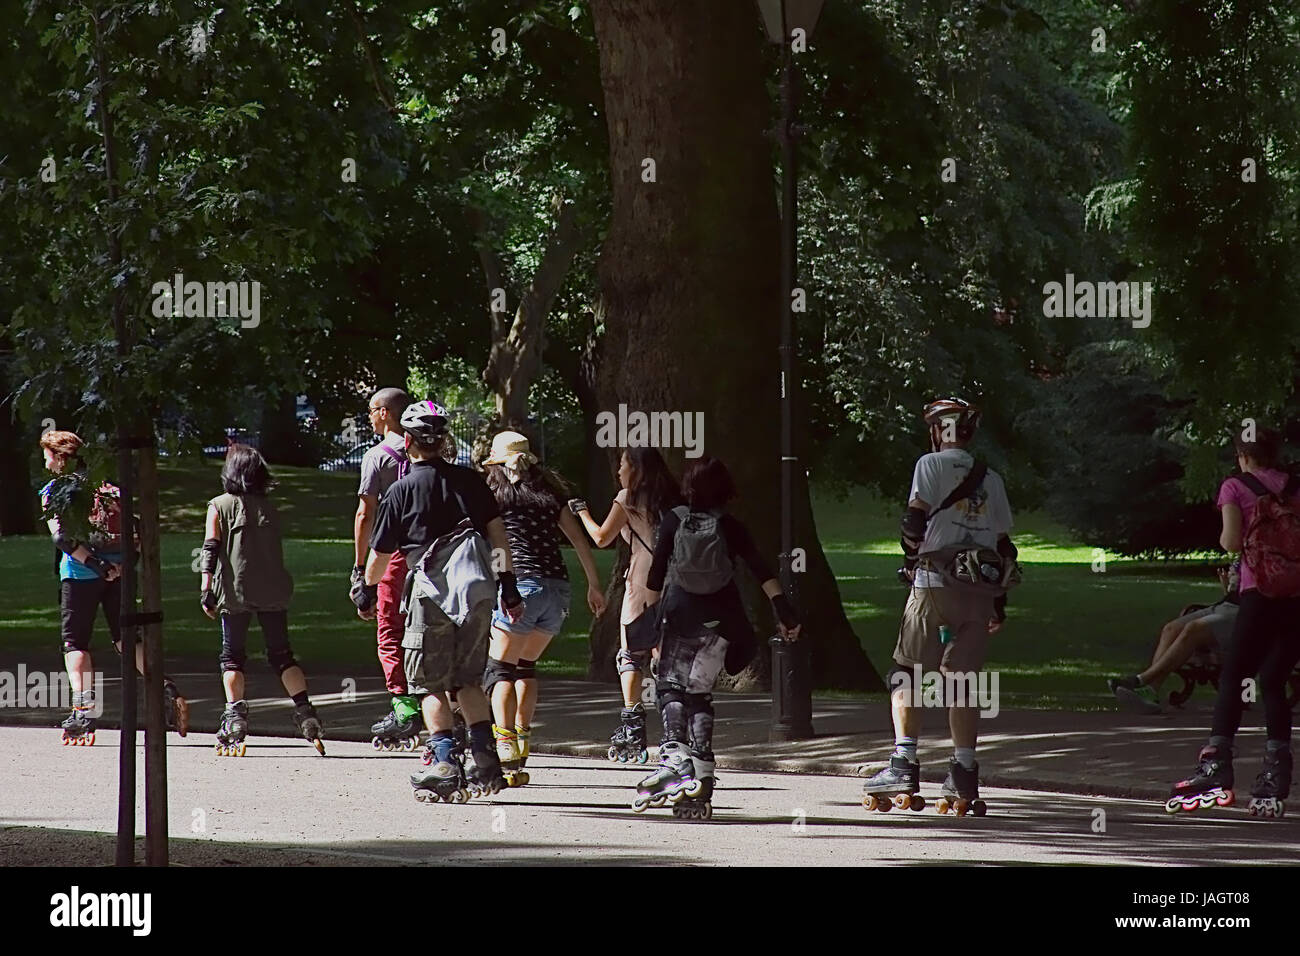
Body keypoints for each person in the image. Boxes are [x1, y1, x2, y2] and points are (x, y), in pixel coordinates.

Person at [356, 401, 525, 801]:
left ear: (408, 441)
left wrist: (364, 587)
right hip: (478, 593)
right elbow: (499, 537)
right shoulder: (472, 482)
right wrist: (509, 583)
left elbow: (379, 560)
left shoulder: (400, 491)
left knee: (429, 683)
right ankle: (485, 763)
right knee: (468, 679)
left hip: (430, 595)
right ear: (444, 441)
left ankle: (445, 763)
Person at [860, 398, 1016, 816]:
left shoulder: (928, 466)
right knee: (963, 681)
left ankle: (903, 764)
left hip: (935, 583)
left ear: (938, 430)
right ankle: (964, 771)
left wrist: (910, 558)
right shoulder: (993, 479)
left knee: (906, 673)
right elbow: (1005, 547)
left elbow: (914, 524)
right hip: (980, 591)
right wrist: (998, 604)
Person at [631, 455, 801, 820]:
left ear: (689, 486)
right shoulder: (731, 526)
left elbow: (656, 575)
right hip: (721, 621)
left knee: (671, 688)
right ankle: (703, 771)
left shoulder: (675, 519)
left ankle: (675, 759)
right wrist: (784, 611)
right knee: (699, 693)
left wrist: (654, 620)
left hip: (679, 615)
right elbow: (760, 570)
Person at [1168, 429, 1300, 817]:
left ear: (1243, 455)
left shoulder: (1235, 486)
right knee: (1275, 679)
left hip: (1258, 593)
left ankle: (1216, 764)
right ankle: (1277, 770)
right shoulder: (1295, 486)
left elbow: (1229, 541)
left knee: (1235, 677)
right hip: (1296, 597)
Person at [39, 430, 189, 745]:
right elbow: (135, 531)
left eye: (48, 456)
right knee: (126, 639)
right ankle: (165, 689)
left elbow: (62, 538)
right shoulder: (111, 490)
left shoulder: (57, 490)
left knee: (75, 643)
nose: (46, 462)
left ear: (62, 458)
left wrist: (96, 565)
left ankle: (84, 713)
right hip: (120, 573)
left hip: (81, 574)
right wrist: (121, 565)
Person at [480, 431, 605, 785]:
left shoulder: (494, 497)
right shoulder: (550, 495)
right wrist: (595, 586)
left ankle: (504, 746)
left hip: (521, 586)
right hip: (557, 590)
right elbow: (581, 541)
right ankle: (521, 741)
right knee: (526, 667)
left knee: (500, 669)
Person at [199, 444, 324, 756]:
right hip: (272, 590)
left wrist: (206, 587)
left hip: (234, 591)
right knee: (282, 654)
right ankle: (306, 714)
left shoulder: (218, 505)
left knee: (232, 657)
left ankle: (235, 717)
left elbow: (210, 548)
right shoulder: (269, 507)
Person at [571, 447, 682, 764]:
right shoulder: (671, 496)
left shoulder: (627, 497)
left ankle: (632, 728)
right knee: (663, 654)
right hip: (672, 577)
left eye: (622, 465)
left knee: (631, 652)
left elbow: (602, 538)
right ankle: (673, 728)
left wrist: (582, 512)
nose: (618, 471)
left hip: (642, 577)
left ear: (634, 468)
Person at [349, 386, 423, 751]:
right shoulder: (426, 450)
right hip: (430, 553)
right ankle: (444, 703)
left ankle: (404, 708)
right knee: (429, 625)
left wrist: (360, 568)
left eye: (371, 409)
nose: (368, 416)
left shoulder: (377, 457)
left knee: (389, 629)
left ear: (384, 413)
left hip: (391, 554)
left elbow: (366, 514)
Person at [1108, 560, 1240, 713]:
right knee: (1170, 629)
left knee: (1193, 629)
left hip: (1241, 614)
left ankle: (1140, 680)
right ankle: (1151, 691)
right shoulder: (1245, 553)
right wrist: (1228, 586)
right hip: (1223, 606)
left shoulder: (1265, 559)